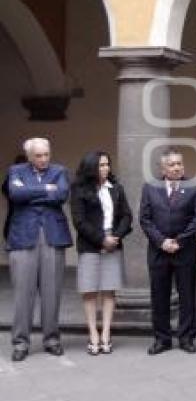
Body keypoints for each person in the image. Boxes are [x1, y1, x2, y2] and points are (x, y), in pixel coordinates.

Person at [5, 138, 72, 362]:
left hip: (52, 235)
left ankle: (52, 339)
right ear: (29, 156)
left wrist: (31, 192)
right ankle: (20, 342)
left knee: (51, 292)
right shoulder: (15, 171)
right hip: (23, 236)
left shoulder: (60, 171)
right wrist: (45, 189)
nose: (43, 159)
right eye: (38, 156)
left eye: (46, 154)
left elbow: (61, 195)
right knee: (23, 294)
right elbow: (15, 195)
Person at [139, 148, 196, 355]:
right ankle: (162, 339)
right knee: (159, 296)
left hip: (185, 250)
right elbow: (145, 219)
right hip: (159, 251)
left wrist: (179, 240)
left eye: (179, 163)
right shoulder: (150, 187)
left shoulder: (195, 186)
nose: (177, 167)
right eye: (172, 164)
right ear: (163, 168)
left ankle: (186, 338)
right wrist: (161, 241)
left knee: (187, 295)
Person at [70, 151, 133, 355]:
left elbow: (126, 215)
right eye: (101, 165)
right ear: (91, 168)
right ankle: (93, 333)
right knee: (89, 291)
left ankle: (105, 332)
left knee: (109, 289)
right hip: (90, 244)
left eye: (107, 164)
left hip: (113, 242)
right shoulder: (79, 189)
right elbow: (79, 221)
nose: (106, 168)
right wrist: (101, 240)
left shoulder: (116, 188)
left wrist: (116, 237)